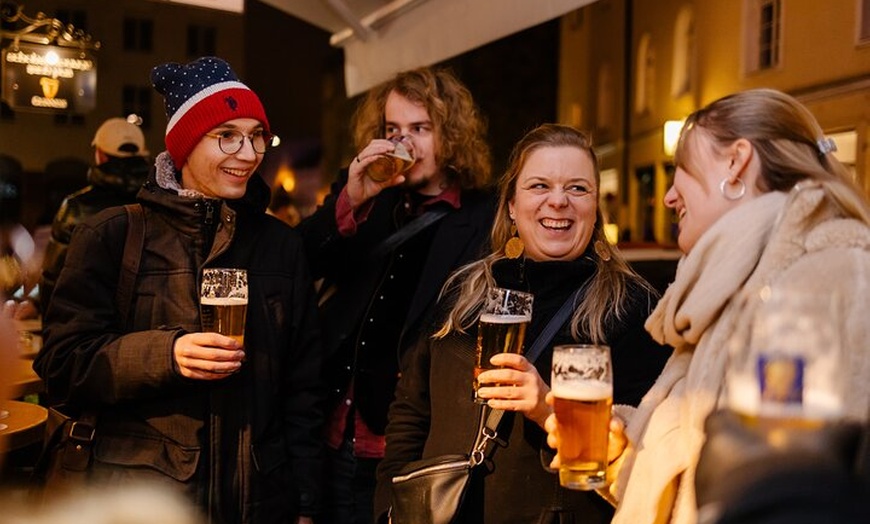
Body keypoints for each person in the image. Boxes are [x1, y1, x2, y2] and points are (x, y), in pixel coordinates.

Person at [544, 88, 870, 524]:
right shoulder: (732, 289)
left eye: (681, 168)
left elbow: (806, 494)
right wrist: (619, 453)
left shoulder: (826, 278)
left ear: (736, 163)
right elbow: (690, 488)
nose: (668, 197)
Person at [34, 56, 324, 524]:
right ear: (185, 144)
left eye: (256, 136)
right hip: (142, 502)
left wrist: (306, 504)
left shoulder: (281, 246)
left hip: (259, 502)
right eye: (226, 135)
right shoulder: (112, 235)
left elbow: (303, 390)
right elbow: (61, 366)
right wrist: (166, 354)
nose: (248, 153)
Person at [374, 124, 672, 523]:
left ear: (595, 207)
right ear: (512, 205)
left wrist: (546, 407)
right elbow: (410, 414)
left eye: (578, 188)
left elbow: (646, 455)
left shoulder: (632, 308)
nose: (558, 201)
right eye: (539, 186)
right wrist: (389, 509)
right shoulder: (463, 292)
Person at [298, 66, 497, 523]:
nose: (404, 143)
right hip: (331, 430)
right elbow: (298, 262)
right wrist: (351, 198)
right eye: (393, 130)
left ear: (451, 134)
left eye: (420, 129)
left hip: (407, 443)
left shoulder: (483, 216)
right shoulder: (367, 196)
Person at [39, 117, 151, 315]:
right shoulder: (158, 202)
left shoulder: (76, 206)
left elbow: (54, 277)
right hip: (146, 321)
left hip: (88, 319)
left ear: (100, 155)